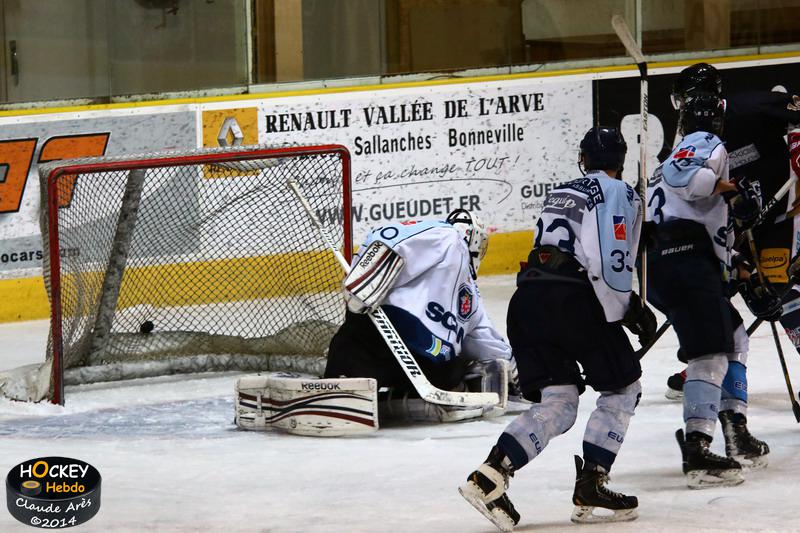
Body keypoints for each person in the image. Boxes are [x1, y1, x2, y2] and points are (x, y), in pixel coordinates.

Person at [459, 127, 656, 531]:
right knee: (624, 388)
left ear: (583, 159)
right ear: (620, 161)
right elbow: (607, 260)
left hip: (528, 301)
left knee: (560, 402)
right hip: (573, 301)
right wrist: (629, 309)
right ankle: (592, 482)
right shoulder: (619, 191)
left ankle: (490, 475)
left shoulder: (562, 191)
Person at [665, 62, 800, 467]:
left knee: (780, 295)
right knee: (726, 299)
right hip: (739, 224)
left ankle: (709, 366)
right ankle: (708, 365)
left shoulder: (753, 107)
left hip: (778, 218)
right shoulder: (694, 137)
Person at [646, 91, 762, 487]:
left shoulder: (660, 166)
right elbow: (692, 181)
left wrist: (737, 268)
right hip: (686, 260)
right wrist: (734, 192)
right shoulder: (704, 142)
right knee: (710, 353)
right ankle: (697, 447)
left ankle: (735, 428)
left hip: (666, 265)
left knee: (734, 336)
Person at [324, 209, 517, 421]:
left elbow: (388, 236)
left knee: (351, 337)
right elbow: (492, 349)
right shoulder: (454, 247)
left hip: (386, 341)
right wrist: (518, 376)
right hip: (428, 367)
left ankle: (340, 382)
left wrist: (363, 275)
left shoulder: (447, 238)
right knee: (454, 369)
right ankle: (408, 398)